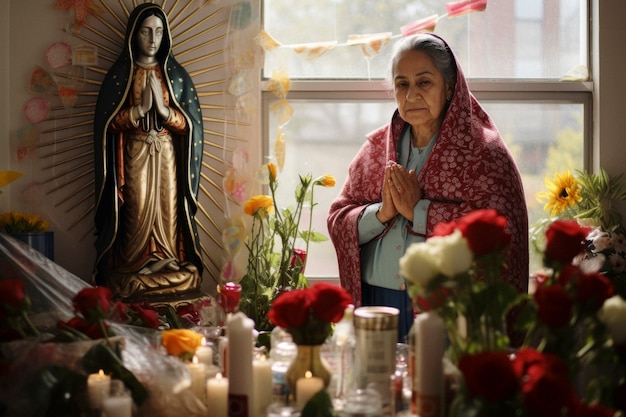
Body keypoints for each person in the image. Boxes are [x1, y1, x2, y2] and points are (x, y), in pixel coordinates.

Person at [327, 33, 528, 342]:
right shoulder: (375, 150)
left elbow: (500, 233)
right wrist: (381, 213)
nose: (411, 96)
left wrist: (418, 211)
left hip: (447, 309)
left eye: (424, 83)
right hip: (376, 302)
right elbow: (339, 217)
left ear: (449, 87)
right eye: (402, 84)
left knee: (436, 389)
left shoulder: (484, 152)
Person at [92, 3, 204, 302]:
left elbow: (189, 125)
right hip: (135, 151)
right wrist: (139, 111)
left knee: (167, 212)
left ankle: (167, 260)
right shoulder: (120, 76)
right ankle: (134, 264)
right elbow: (107, 124)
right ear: (133, 35)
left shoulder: (176, 76)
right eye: (145, 31)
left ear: (165, 35)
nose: (152, 38)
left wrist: (165, 112)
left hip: (166, 152)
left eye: (158, 31)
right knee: (137, 209)